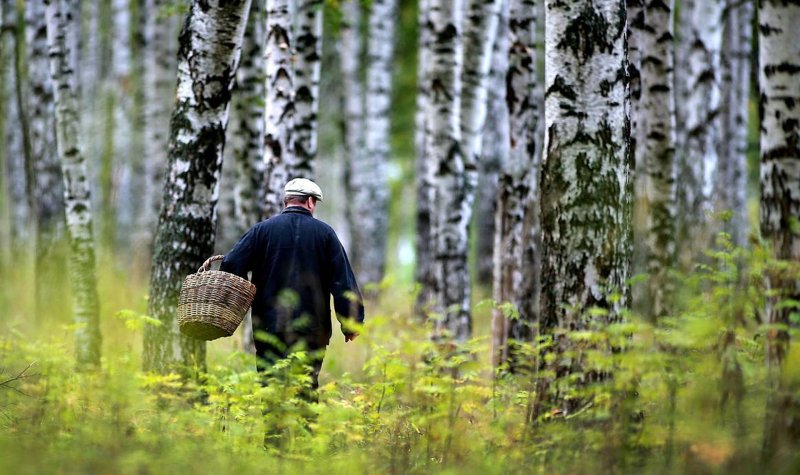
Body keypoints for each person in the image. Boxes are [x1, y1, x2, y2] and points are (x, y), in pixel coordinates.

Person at [220, 178, 364, 394]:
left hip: (269, 326)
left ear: (286, 201)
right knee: (305, 389)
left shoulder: (261, 231)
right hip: (312, 330)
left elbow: (231, 263)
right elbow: (342, 282)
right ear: (309, 202)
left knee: (270, 388)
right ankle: (303, 426)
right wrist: (351, 323)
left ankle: (272, 428)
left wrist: (243, 296)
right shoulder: (325, 234)